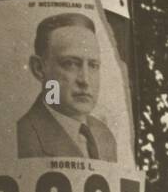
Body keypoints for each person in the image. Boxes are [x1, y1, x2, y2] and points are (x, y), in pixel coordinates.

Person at [16, 12, 117, 161]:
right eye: (70, 63)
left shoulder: (105, 136)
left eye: (93, 65)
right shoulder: (21, 137)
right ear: (39, 68)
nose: (85, 80)